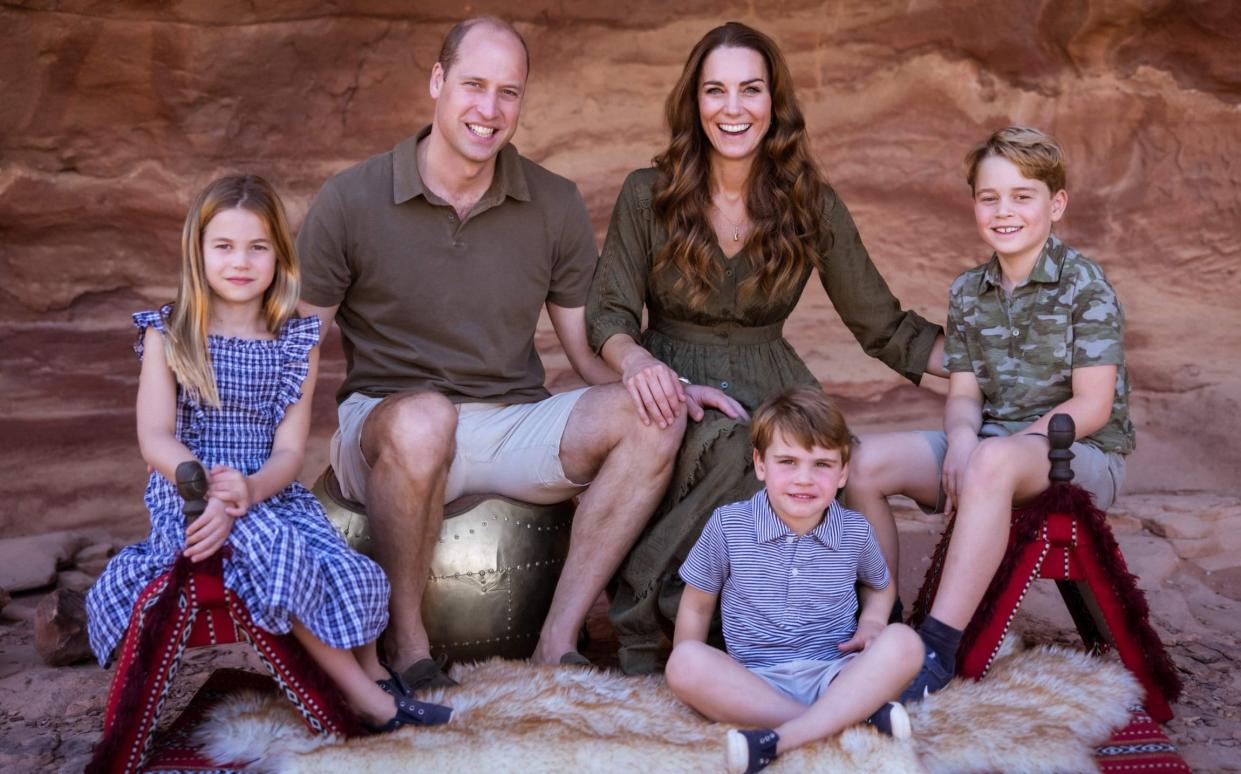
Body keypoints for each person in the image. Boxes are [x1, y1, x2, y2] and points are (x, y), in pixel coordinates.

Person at [296, 16, 709, 686]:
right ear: (437, 82)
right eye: (473, 85)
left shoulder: (552, 202)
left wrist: (651, 379)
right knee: (424, 418)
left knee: (652, 418)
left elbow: (582, 347)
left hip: (507, 421)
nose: (489, 110)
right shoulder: (351, 199)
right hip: (384, 426)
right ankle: (408, 646)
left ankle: (557, 638)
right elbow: (298, 341)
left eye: (508, 93)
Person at [587, 21, 946, 673]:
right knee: (740, 445)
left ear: (773, 104)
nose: (732, 109)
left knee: (812, 460)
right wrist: (637, 362)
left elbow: (882, 325)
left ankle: (813, 639)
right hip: (674, 386)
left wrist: (994, 368)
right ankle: (644, 616)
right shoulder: (647, 194)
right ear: (693, 103)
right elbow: (607, 312)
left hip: (776, 378)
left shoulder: (808, 204)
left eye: (749, 90)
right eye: (714, 91)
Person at [85, 175, 449, 732]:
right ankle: (369, 704)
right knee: (268, 544)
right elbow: (155, 436)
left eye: (258, 247)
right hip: (189, 497)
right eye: (224, 246)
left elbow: (287, 451)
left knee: (348, 564)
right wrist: (201, 483)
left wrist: (252, 489)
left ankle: (375, 673)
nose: (241, 261)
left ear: (279, 256)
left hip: (270, 493)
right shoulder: (171, 334)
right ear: (198, 251)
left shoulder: (295, 341)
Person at [845, 126, 1134, 701]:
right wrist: (960, 442)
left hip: (1075, 456)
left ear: (1056, 204)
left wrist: (989, 455)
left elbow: (1093, 407)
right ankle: (883, 619)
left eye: (1022, 196)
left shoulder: (1085, 288)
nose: (1004, 211)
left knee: (994, 461)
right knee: (862, 464)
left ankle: (937, 648)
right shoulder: (968, 292)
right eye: (989, 197)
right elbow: (965, 395)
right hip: (991, 449)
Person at [666, 387, 924, 774]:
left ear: (843, 473)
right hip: (752, 683)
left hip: (836, 675)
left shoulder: (854, 531)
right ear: (760, 464)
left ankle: (784, 738)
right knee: (683, 662)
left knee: (904, 642)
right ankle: (846, 723)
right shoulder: (729, 526)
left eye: (822, 464)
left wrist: (872, 624)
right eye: (787, 461)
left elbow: (880, 585)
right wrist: (693, 670)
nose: (804, 479)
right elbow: (698, 602)